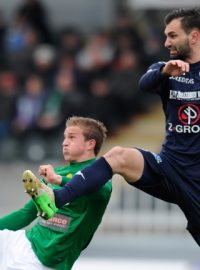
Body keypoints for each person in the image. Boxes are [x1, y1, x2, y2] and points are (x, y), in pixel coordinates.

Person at [24, 8, 200, 247]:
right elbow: (144, 83)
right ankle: (56, 197)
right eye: (166, 35)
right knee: (118, 156)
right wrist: (164, 71)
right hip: (169, 167)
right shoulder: (164, 69)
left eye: (172, 35)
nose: (166, 41)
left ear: (194, 36)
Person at [0, 116, 112, 270]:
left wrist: (59, 180)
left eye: (72, 137)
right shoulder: (57, 172)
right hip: (24, 241)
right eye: (65, 137)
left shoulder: (98, 177)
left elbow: (101, 190)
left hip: (45, 261)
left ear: (90, 143)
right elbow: (25, 214)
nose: (64, 142)